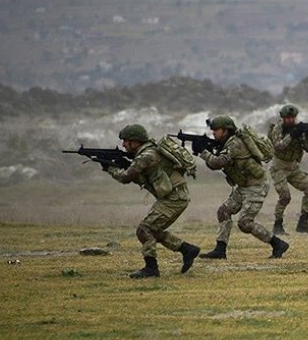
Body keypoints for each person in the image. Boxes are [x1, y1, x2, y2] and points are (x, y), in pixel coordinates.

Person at [107, 124, 200, 278]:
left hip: (174, 198)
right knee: (153, 230)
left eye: (126, 141)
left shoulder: (146, 155)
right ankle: (187, 250)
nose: (123, 144)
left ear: (136, 141)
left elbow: (125, 178)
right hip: (175, 196)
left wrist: (110, 168)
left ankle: (151, 269)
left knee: (144, 230)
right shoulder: (147, 152)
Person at [196, 116, 289, 259]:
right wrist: (207, 151)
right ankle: (220, 251)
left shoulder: (235, 144)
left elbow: (218, 162)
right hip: (244, 185)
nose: (213, 133)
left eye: (216, 130)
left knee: (245, 223)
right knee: (224, 212)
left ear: (226, 130)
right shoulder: (227, 143)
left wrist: (203, 152)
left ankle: (278, 244)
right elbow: (216, 165)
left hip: (256, 186)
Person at [268, 104, 308, 235]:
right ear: (283, 118)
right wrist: (292, 135)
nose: (290, 120)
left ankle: (303, 223)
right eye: (288, 118)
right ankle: (277, 225)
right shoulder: (277, 129)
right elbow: (279, 146)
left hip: (293, 167)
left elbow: (307, 148)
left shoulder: (298, 128)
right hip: (279, 167)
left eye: (292, 118)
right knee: (285, 197)